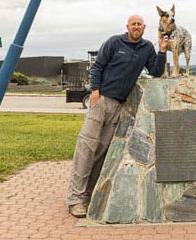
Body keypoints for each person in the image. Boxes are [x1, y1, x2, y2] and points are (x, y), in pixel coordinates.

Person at [67, 14, 168, 217]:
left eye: (140, 24)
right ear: (127, 26)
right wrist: (95, 92)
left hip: (118, 106)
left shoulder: (147, 48)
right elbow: (97, 66)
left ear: (144, 27)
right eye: (134, 24)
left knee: (101, 151)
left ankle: (89, 194)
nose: (137, 27)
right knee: (86, 147)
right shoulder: (114, 42)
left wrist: (162, 51)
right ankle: (75, 198)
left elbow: (156, 72)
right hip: (101, 101)